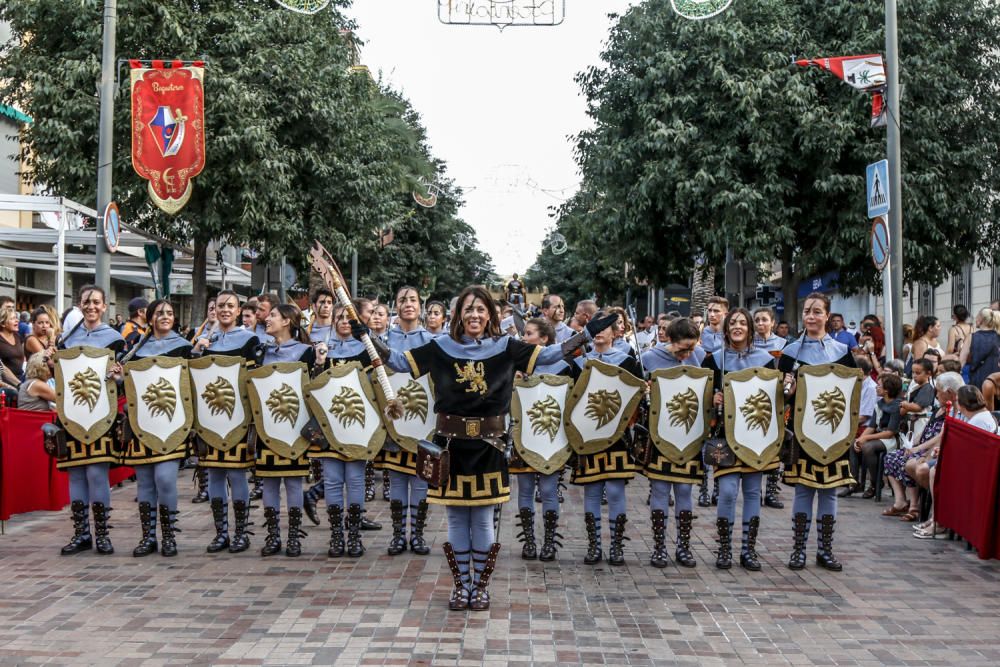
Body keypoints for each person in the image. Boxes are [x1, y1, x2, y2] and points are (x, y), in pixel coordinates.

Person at [373, 285, 611, 611]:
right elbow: (399, 363)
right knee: (456, 519)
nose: (474, 315)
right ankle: (462, 585)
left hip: (489, 446)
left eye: (481, 309)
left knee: (484, 520)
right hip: (450, 447)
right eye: (468, 309)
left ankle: (480, 586)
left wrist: (585, 335)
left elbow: (552, 355)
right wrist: (366, 334)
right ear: (459, 315)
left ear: (490, 315)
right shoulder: (440, 346)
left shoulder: (507, 347)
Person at [780, 292, 858, 571]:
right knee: (804, 489)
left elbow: (852, 393)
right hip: (801, 430)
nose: (810, 317)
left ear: (827, 316)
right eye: (807, 312)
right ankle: (798, 549)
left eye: (816, 311)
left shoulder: (841, 352)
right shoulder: (790, 352)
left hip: (833, 430)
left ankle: (825, 550)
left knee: (830, 492)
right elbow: (783, 397)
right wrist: (788, 387)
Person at [702, 308, 778, 570]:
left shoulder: (766, 359)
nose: (737, 327)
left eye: (742, 323)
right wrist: (712, 397)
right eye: (732, 322)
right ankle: (724, 548)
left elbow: (774, 399)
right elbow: (702, 396)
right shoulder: (714, 360)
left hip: (757, 435)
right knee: (727, 491)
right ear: (726, 328)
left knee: (753, 492)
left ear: (750, 328)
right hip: (724, 434)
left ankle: (748, 549)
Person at [55, 285, 125, 556]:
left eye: (96, 302)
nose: (91, 306)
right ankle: (81, 533)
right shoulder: (66, 339)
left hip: (101, 415)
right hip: (72, 415)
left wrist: (118, 375)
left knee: (97, 474)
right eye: (86, 302)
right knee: (76, 475)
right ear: (80, 304)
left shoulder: (115, 339)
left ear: (105, 306)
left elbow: (120, 381)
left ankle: (103, 534)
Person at [570, 310, 642, 567]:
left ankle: (617, 545)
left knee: (614, 490)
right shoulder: (579, 362)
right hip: (587, 436)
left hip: (617, 436)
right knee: (592, 490)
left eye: (606, 327)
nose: (600, 331)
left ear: (615, 332)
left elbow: (635, 400)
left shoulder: (627, 361)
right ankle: (594, 545)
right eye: (595, 327)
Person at [120, 299, 192, 557]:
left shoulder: (184, 347)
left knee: (165, 479)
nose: (165, 316)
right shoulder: (135, 348)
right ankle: (148, 537)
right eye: (159, 313)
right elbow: (126, 385)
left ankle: (169, 536)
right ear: (149, 317)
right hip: (142, 423)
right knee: (145, 484)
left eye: (170, 313)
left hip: (172, 423)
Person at [192, 290, 260, 554]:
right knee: (214, 473)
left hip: (238, 417)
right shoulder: (204, 340)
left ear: (238, 309)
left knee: (237, 472)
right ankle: (221, 532)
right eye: (220, 305)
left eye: (230, 306)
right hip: (209, 419)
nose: (225, 310)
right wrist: (197, 351)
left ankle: (241, 532)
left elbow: (253, 377)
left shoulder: (249, 339)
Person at [639, 318, 704, 568]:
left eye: (691, 348)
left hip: (688, 434)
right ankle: (659, 548)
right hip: (660, 433)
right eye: (683, 349)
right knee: (660, 490)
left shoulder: (695, 358)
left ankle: (684, 547)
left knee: (685, 491)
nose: (687, 354)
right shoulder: (648, 359)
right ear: (669, 340)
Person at [509, 317, 573, 563]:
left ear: (544, 339)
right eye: (524, 333)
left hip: (553, 438)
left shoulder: (565, 366)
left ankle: (548, 542)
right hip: (523, 435)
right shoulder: (516, 364)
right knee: (525, 489)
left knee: (548, 491)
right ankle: (529, 541)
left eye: (529, 333)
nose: (524, 338)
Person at [257, 303, 318, 557]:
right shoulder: (260, 352)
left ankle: (294, 537)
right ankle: (273, 536)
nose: (266, 319)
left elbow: (312, 390)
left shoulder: (307, 353)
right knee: (269, 482)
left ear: (287, 322)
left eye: (272, 315)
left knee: (294, 482)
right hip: (267, 426)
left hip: (295, 426)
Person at [380, 286, 437, 558]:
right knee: (397, 478)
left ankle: (417, 534)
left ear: (420, 305)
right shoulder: (383, 338)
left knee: (421, 478)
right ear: (396, 305)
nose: (407, 304)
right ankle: (397, 535)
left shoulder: (432, 340)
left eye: (412, 299)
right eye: (402, 300)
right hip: (394, 418)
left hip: (423, 420)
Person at [884, 372, 961, 524]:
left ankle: (917, 505)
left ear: (949, 392)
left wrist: (919, 449)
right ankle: (902, 501)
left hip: (934, 450)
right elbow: (927, 429)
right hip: (926, 447)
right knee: (892, 457)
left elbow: (941, 437)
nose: (936, 394)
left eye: (938, 391)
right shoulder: (942, 407)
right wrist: (913, 444)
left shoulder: (953, 410)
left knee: (911, 463)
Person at [854, 373, 903, 504]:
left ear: (887, 390)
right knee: (854, 444)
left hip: (893, 439)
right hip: (879, 436)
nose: (876, 387)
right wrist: (860, 439)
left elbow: (890, 432)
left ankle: (876, 483)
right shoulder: (879, 403)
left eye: (879, 385)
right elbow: (872, 426)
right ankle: (854, 483)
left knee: (868, 447)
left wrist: (866, 439)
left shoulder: (897, 406)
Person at [959, 308, 1000, 390]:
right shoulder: (998, 336)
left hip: (977, 381)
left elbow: (961, 362)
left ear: (981, 320)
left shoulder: (972, 337)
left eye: (977, 316)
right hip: (996, 381)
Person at [0, 307, 25, 381]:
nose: (17, 320)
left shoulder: (17, 336)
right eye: (12, 318)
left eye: (16, 318)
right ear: (3, 323)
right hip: (5, 381)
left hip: (21, 376)